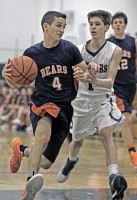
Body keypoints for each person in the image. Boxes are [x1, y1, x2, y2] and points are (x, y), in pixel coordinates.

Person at [2, 11, 90, 200]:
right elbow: (17, 83)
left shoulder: (70, 49)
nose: (62, 29)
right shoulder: (32, 53)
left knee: (46, 162)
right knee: (42, 138)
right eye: (59, 25)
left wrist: (85, 75)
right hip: (43, 104)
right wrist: (7, 77)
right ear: (46, 26)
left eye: (64, 26)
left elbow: (87, 73)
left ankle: (21, 150)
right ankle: (29, 188)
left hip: (65, 108)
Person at [56, 10, 128, 200]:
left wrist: (93, 78)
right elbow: (72, 79)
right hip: (81, 101)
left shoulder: (115, 50)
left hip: (102, 99)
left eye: (97, 24)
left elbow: (110, 81)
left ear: (106, 27)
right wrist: (78, 76)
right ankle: (72, 160)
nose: (93, 27)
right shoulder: (77, 50)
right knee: (77, 141)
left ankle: (114, 178)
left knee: (106, 133)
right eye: (91, 24)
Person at [107, 12, 137, 167]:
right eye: (115, 22)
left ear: (125, 24)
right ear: (112, 25)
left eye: (120, 22)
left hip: (131, 85)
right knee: (127, 120)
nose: (118, 24)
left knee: (125, 120)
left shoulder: (133, 42)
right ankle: (133, 153)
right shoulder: (108, 43)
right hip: (115, 86)